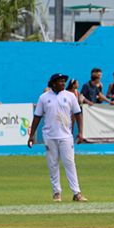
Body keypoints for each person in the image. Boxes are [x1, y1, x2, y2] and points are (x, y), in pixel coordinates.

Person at [28, 73, 87, 203]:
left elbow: (78, 114)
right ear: (53, 83)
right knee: (53, 164)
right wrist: (32, 135)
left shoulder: (70, 96)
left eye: (64, 81)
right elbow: (37, 117)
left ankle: (76, 193)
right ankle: (56, 192)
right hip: (49, 136)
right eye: (60, 81)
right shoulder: (43, 97)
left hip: (66, 135)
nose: (63, 83)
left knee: (69, 163)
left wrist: (81, 132)